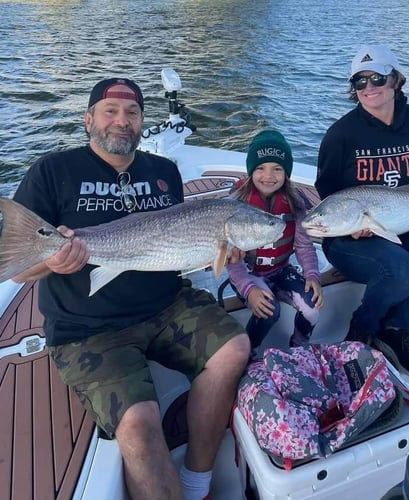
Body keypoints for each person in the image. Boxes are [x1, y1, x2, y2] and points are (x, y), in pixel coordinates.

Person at [12, 77, 250, 500]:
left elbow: (184, 245)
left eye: (133, 113)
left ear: (142, 123)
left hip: (166, 304)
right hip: (87, 328)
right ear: (89, 120)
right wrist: (49, 260)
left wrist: (222, 251)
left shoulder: (164, 172)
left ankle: (197, 481)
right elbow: (16, 272)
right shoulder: (52, 171)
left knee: (234, 349)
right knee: (140, 423)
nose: (122, 121)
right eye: (111, 111)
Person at [315, 44, 409, 378]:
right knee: (403, 269)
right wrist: (353, 225)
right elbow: (326, 192)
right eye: (359, 82)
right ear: (353, 89)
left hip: (402, 218)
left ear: (396, 79)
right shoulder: (340, 135)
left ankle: (395, 328)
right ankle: (360, 332)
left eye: (377, 78)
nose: (369, 87)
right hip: (349, 233)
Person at [227, 130, 324, 359]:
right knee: (270, 310)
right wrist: (248, 290)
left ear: (286, 172)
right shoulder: (235, 203)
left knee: (311, 308)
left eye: (277, 168)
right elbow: (231, 258)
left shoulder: (295, 201)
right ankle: (249, 355)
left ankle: (299, 351)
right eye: (260, 167)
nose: (268, 176)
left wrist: (312, 275)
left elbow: (303, 245)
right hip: (247, 274)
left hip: (281, 270)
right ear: (251, 170)